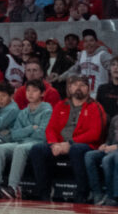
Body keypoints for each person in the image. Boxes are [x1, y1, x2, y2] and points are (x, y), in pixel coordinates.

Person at [27, 74, 108, 202]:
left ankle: (82, 193)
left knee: (76, 150)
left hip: (86, 145)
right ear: (69, 88)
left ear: (89, 88)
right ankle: (44, 192)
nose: (78, 88)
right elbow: (51, 129)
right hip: (60, 144)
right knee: (37, 149)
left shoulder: (95, 106)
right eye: (75, 85)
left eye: (82, 85)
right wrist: (54, 143)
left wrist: (70, 143)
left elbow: (95, 133)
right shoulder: (61, 105)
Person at [0, 79, 53, 199]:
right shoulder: (23, 112)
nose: (30, 93)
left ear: (42, 93)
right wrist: (31, 128)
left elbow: (43, 134)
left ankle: (13, 187)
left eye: (34, 91)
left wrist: (24, 132)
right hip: (21, 142)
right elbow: (14, 134)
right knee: (0, 148)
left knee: (20, 148)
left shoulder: (47, 111)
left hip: (38, 144)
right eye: (28, 90)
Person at [84, 111, 118, 205]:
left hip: (115, 151)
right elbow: (109, 139)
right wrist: (105, 145)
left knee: (107, 159)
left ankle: (112, 196)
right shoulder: (115, 118)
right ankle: (97, 193)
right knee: (90, 155)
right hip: (111, 149)